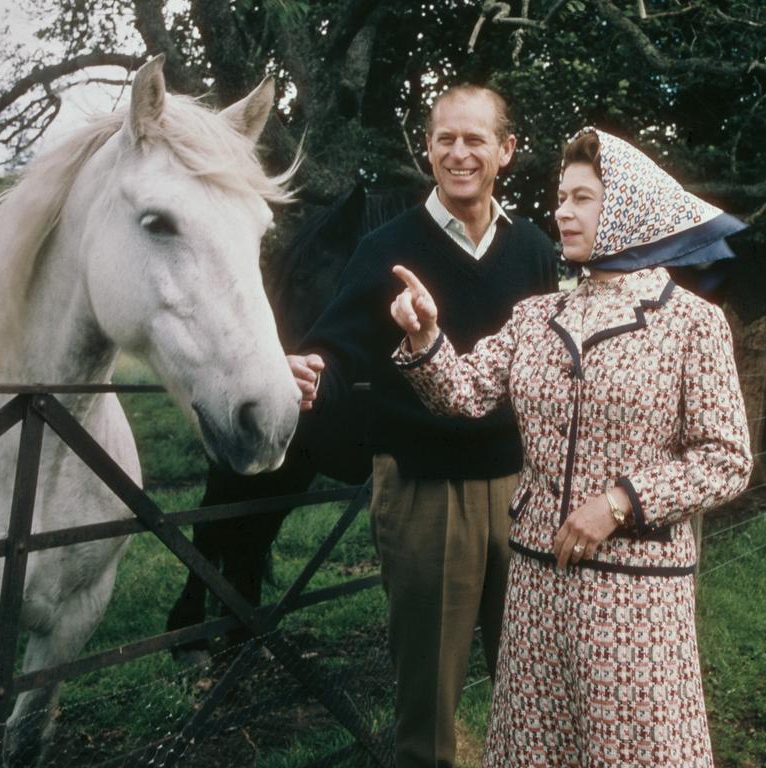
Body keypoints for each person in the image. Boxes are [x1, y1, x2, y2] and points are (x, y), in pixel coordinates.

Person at [390, 127, 753, 767]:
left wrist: (619, 501)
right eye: (561, 197)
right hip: (536, 583)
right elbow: (465, 394)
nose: (562, 211)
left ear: (629, 207)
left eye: (582, 197)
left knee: (633, 750)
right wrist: (426, 338)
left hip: (636, 595)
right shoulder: (535, 315)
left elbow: (725, 459)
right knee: (538, 749)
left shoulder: (691, 322)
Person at [289, 85, 557, 768]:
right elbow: (339, 344)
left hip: (523, 491)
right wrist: (315, 368)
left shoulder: (532, 249)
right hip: (425, 492)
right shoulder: (387, 245)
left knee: (530, 683)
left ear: (506, 151)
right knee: (428, 701)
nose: (458, 153)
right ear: (428, 148)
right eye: (445, 139)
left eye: (475, 139)